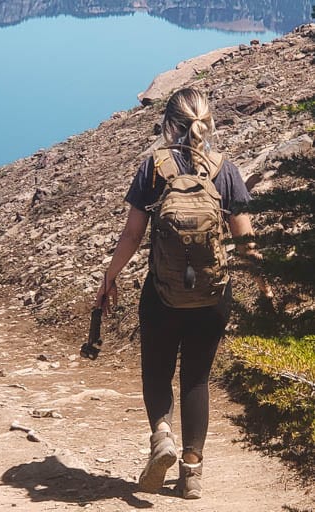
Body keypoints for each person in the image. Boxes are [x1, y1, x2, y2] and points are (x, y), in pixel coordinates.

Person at [95, 87, 272, 499]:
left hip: (162, 292)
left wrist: (109, 277)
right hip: (213, 296)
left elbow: (132, 235)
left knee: (156, 372)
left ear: (168, 124)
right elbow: (245, 241)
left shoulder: (154, 168)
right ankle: (191, 472)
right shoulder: (225, 170)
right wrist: (264, 288)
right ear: (207, 123)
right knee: (196, 378)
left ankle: (162, 438)